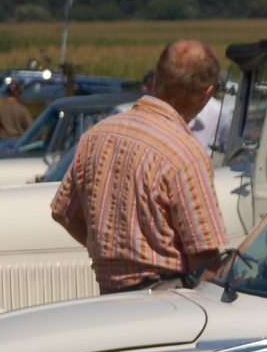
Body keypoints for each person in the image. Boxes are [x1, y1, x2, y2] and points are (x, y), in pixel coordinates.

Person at [51, 39, 228, 293]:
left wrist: (107, 253)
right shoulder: (185, 153)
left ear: (158, 79)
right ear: (206, 93)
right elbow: (204, 258)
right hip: (167, 300)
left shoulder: (96, 136)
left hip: (109, 296)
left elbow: (64, 213)